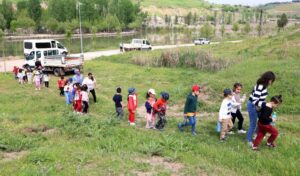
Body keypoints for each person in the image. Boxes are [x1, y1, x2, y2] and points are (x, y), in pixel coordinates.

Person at [247, 71, 276, 146]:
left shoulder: (264, 86)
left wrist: (264, 103)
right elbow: (254, 100)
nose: (271, 82)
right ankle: (249, 140)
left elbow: (260, 99)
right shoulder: (260, 86)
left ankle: (256, 135)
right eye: (271, 80)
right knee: (253, 124)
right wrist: (265, 104)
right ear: (268, 79)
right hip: (253, 106)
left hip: (259, 106)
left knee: (262, 120)